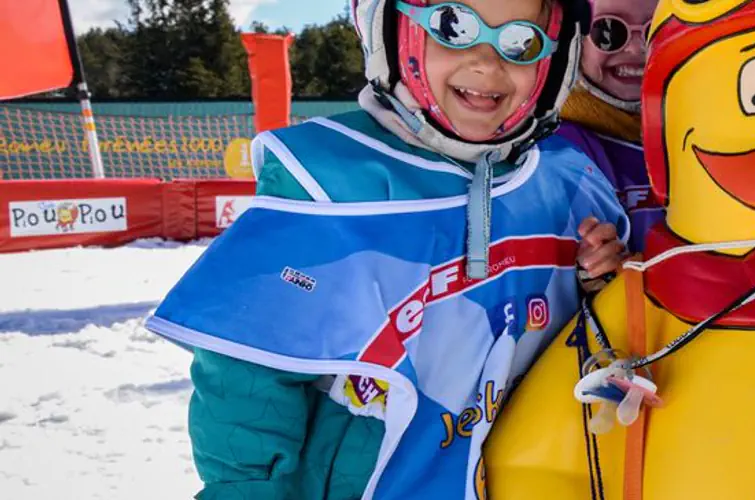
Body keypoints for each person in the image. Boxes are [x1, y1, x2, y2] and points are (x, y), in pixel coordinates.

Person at [143, 0, 629, 497]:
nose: (488, 62)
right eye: (452, 26)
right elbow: (247, 381)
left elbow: (591, 348)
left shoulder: (570, 183)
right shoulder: (329, 184)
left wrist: (597, 285)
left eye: (521, 41)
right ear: (391, 31)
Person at [557, 0, 660, 257]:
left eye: (655, 30)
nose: (638, 48)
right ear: (573, 38)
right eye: (609, 31)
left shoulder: (711, 131)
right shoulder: (555, 150)